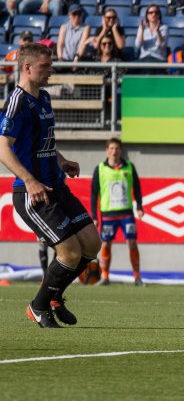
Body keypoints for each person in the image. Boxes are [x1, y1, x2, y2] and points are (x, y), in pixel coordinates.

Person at [0, 43, 102, 328]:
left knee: (92, 244)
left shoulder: (43, 97)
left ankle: (53, 298)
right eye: (45, 67)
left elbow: (40, 143)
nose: (50, 72)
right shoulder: (17, 102)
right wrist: (31, 180)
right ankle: (38, 306)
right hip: (34, 193)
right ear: (27, 68)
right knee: (68, 253)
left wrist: (61, 160)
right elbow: (3, 148)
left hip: (57, 185)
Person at [90, 137, 145, 286]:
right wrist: (94, 215)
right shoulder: (100, 168)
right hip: (108, 215)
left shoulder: (129, 167)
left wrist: (139, 206)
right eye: (111, 148)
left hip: (127, 213)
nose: (114, 151)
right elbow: (94, 193)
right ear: (107, 150)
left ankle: (137, 277)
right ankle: (105, 277)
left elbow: (138, 188)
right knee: (106, 245)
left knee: (132, 243)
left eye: (117, 148)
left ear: (121, 150)